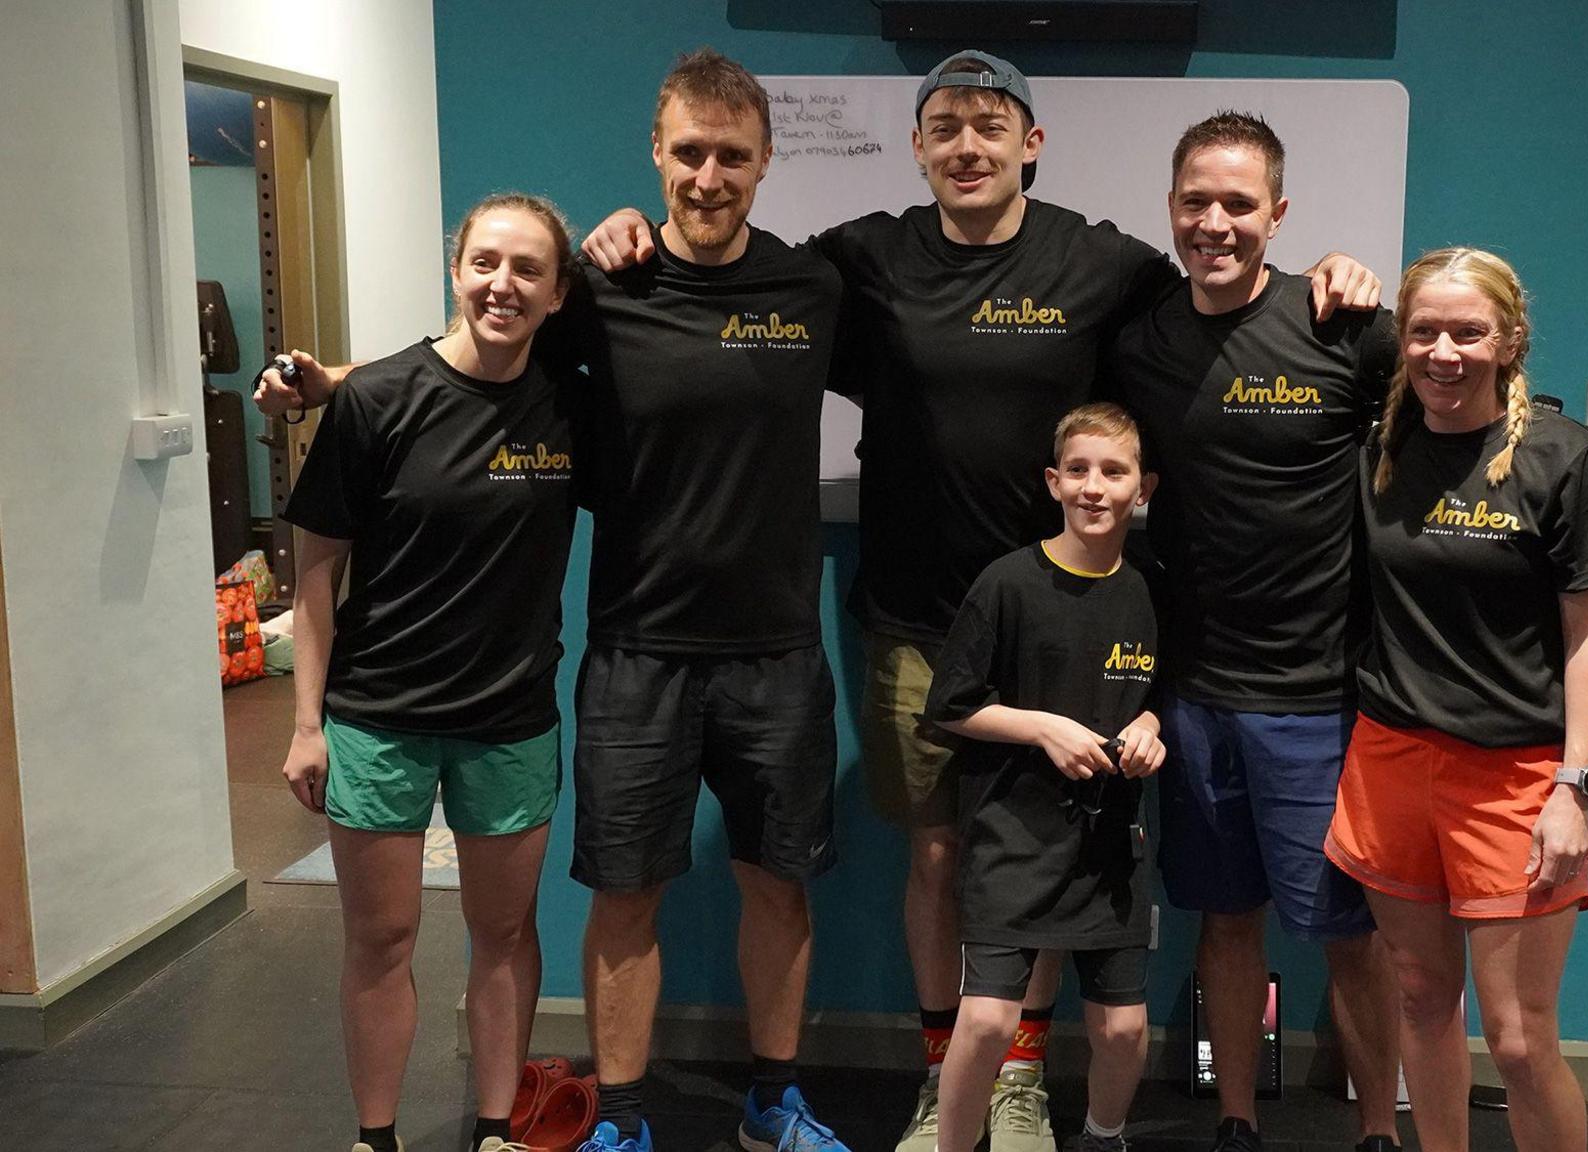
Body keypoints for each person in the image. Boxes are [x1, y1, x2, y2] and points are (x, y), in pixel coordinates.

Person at [581, 54, 1386, 1152]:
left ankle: (1012, 1073)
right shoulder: (858, 261)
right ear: (918, 147)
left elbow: (1226, 287)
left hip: (1062, 627)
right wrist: (625, 227)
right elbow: (721, 267)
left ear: (1030, 144)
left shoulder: (1102, 262)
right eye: (945, 126)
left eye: (990, 125)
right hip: (913, 618)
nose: (967, 145)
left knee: (1039, 855)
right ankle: (938, 1067)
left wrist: (1327, 269)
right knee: (939, 856)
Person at [263, 50, 854, 1152]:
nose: (709, 175)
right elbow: (470, 355)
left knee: (779, 887)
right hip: (635, 652)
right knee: (624, 893)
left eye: (732, 155)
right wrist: (333, 381)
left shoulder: (813, 289)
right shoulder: (602, 291)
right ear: (656, 152)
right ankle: (621, 1117)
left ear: (765, 161)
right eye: (688, 152)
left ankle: (775, 1099)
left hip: (777, 650)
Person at [1110, 112, 1403, 1152]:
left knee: (1347, 932)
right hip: (1191, 695)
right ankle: (1234, 1120)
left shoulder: (1343, 327)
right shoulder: (1138, 342)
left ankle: (1378, 1130)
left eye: (1238, 203)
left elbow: (1447, 418)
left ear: (1276, 214)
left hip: (1315, 698)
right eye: (1196, 201)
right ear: (1172, 208)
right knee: (1221, 920)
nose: (1215, 222)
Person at [279, 193, 579, 1152]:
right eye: (485, 262)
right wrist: (305, 722)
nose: (504, 285)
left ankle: (495, 1129)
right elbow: (317, 570)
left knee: (502, 937)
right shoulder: (375, 401)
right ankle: (375, 1139)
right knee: (381, 940)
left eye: (528, 270)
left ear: (558, 292)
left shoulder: (571, 401)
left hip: (510, 719)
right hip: (376, 717)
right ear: (456, 269)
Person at [1324, 247, 1588, 1152]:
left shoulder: (1568, 460)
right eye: (1424, 332)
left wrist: (1576, 788)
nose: (1443, 352)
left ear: (1509, 340)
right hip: (1389, 762)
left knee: (1520, 1037)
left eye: (1468, 332)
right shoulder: (1383, 446)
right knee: (1420, 1000)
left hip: (1515, 778)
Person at [922, 402, 1164, 1152]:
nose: (1096, 488)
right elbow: (952, 705)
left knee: (1123, 1029)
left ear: (1142, 488)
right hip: (1013, 839)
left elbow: (1163, 697)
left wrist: (1152, 728)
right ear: (1055, 482)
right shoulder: (1008, 584)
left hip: (1109, 851)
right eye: (1080, 471)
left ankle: (1101, 1137)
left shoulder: (1151, 587)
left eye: (1114, 472)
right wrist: (1042, 728)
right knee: (990, 1018)